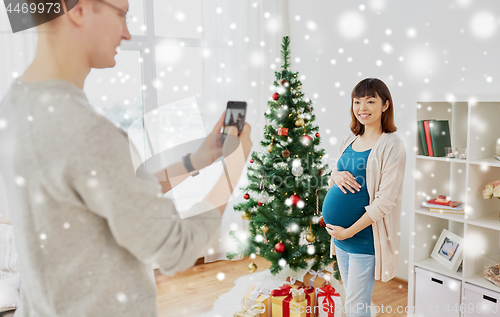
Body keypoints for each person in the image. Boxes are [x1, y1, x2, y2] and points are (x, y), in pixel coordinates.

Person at [0, 0, 252, 316]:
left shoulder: (16, 105)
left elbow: (112, 191)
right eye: (122, 14)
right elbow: (177, 247)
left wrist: (196, 160)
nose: (128, 34)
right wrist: (233, 164)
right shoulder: (85, 131)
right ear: (78, 9)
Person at [321, 78, 406, 317]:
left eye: (370, 101)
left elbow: (384, 203)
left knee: (355, 306)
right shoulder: (349, 140)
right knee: (355, 302)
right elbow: (334, 179)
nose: (362, 108)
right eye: (357, 101)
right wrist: (335, 174)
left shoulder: (392, 145)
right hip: (340, 239)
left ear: (385, 105)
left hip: (363, 240)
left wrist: (348, 231)